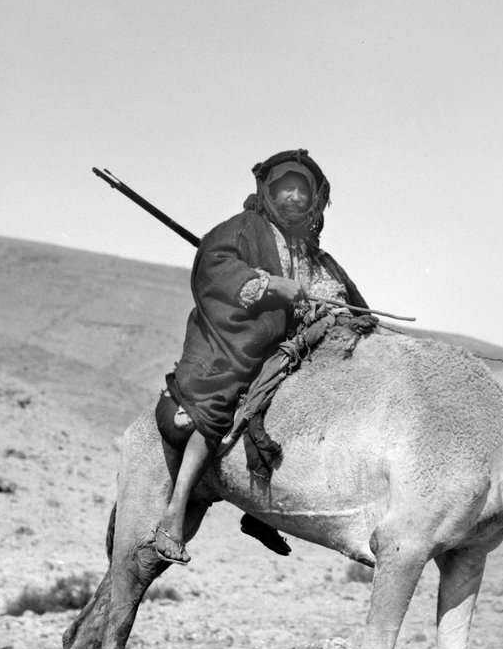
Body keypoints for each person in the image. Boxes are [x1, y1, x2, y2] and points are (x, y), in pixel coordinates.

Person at [153, 150, 366, 563]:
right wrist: (267, 285)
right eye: (284, 188)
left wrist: (338, 311)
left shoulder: (312, 251)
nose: (293, 198)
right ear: (267, 191)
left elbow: (339, 294)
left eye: (302, 191)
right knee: (216, 410)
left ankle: (264, 510)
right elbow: (214, 266)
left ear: (314, 200)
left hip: (296, 346)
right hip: (239, 341)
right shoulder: (243, 229)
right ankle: (173, 515)